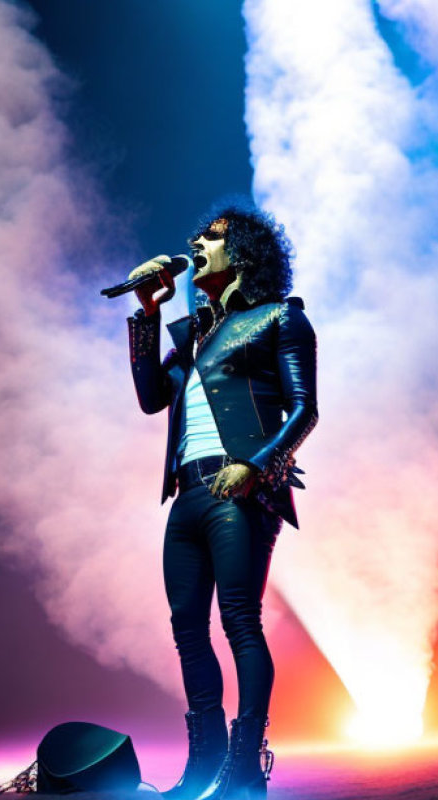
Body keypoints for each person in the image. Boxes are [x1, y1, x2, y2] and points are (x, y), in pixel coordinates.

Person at [126, 202, 318, 800]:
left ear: (244, 254)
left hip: (240, 489)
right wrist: (148, 314)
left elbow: (304, 408)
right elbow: (151, 398)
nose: (195, 242)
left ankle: (243, 763)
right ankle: (202, 763)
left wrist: (256, 466)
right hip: (185, 493)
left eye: (210, 236)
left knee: (239, 620)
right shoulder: (191, 334)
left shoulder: (278, 319)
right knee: (187, 628)